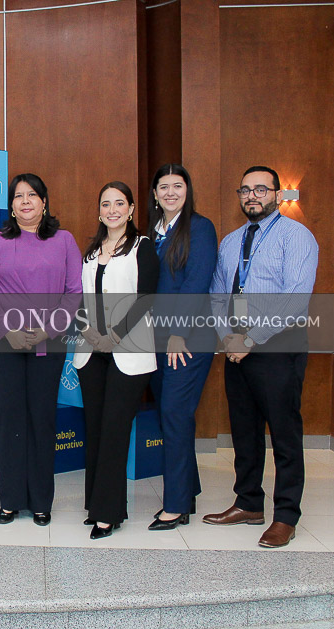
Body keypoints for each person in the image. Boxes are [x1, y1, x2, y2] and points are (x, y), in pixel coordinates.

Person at [204, 165, 318, 548]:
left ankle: (286, 515)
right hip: (236, 349)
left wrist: (250, 338)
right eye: (245, 190)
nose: (252, 196)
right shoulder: (231, 240)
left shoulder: (296, 236)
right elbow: (218, 294)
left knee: (284, 434)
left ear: (277, 194)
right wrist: (227, 337)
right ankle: (249, 502)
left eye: (261, 189)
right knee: (244, 430)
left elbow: (294, 299)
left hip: (277, 346)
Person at [0, 173, 82, 526]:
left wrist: (47, 331)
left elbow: (73, 292)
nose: (25, 201)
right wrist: (8, 331)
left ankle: (40, 501)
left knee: (41, 419)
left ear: (44, 202)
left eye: (32, 195)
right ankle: (10, 500)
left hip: (48, 344)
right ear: (12, 205)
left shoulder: (64, 241)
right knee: (8, 421)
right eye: (18, 196)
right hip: (4, 344)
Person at [73, 181, 159, 539]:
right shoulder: (90, 251)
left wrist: (115, 335)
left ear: (132, 209)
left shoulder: (143, 247)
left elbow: (146, 297)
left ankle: (109, 513)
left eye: (119, 203)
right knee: (95, 427)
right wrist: (89, 332)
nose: (112, 209)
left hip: (129, 351)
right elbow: (79, 298)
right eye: (105, 203)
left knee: (114, 430)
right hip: (91, 352)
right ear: (99, 211)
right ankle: (97, 504)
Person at [145, 164, 218, 531]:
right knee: (169, 414)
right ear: (155, 193)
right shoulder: (149, 232)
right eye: (164, 186)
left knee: (174, 413)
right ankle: (187, 489)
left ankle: (175, 506)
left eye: (178, 185)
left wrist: (178, 332)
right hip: (154, 340)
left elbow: (197, 281)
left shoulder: (200, 228)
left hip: (186, 339)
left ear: (187, 189)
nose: (171, 192)